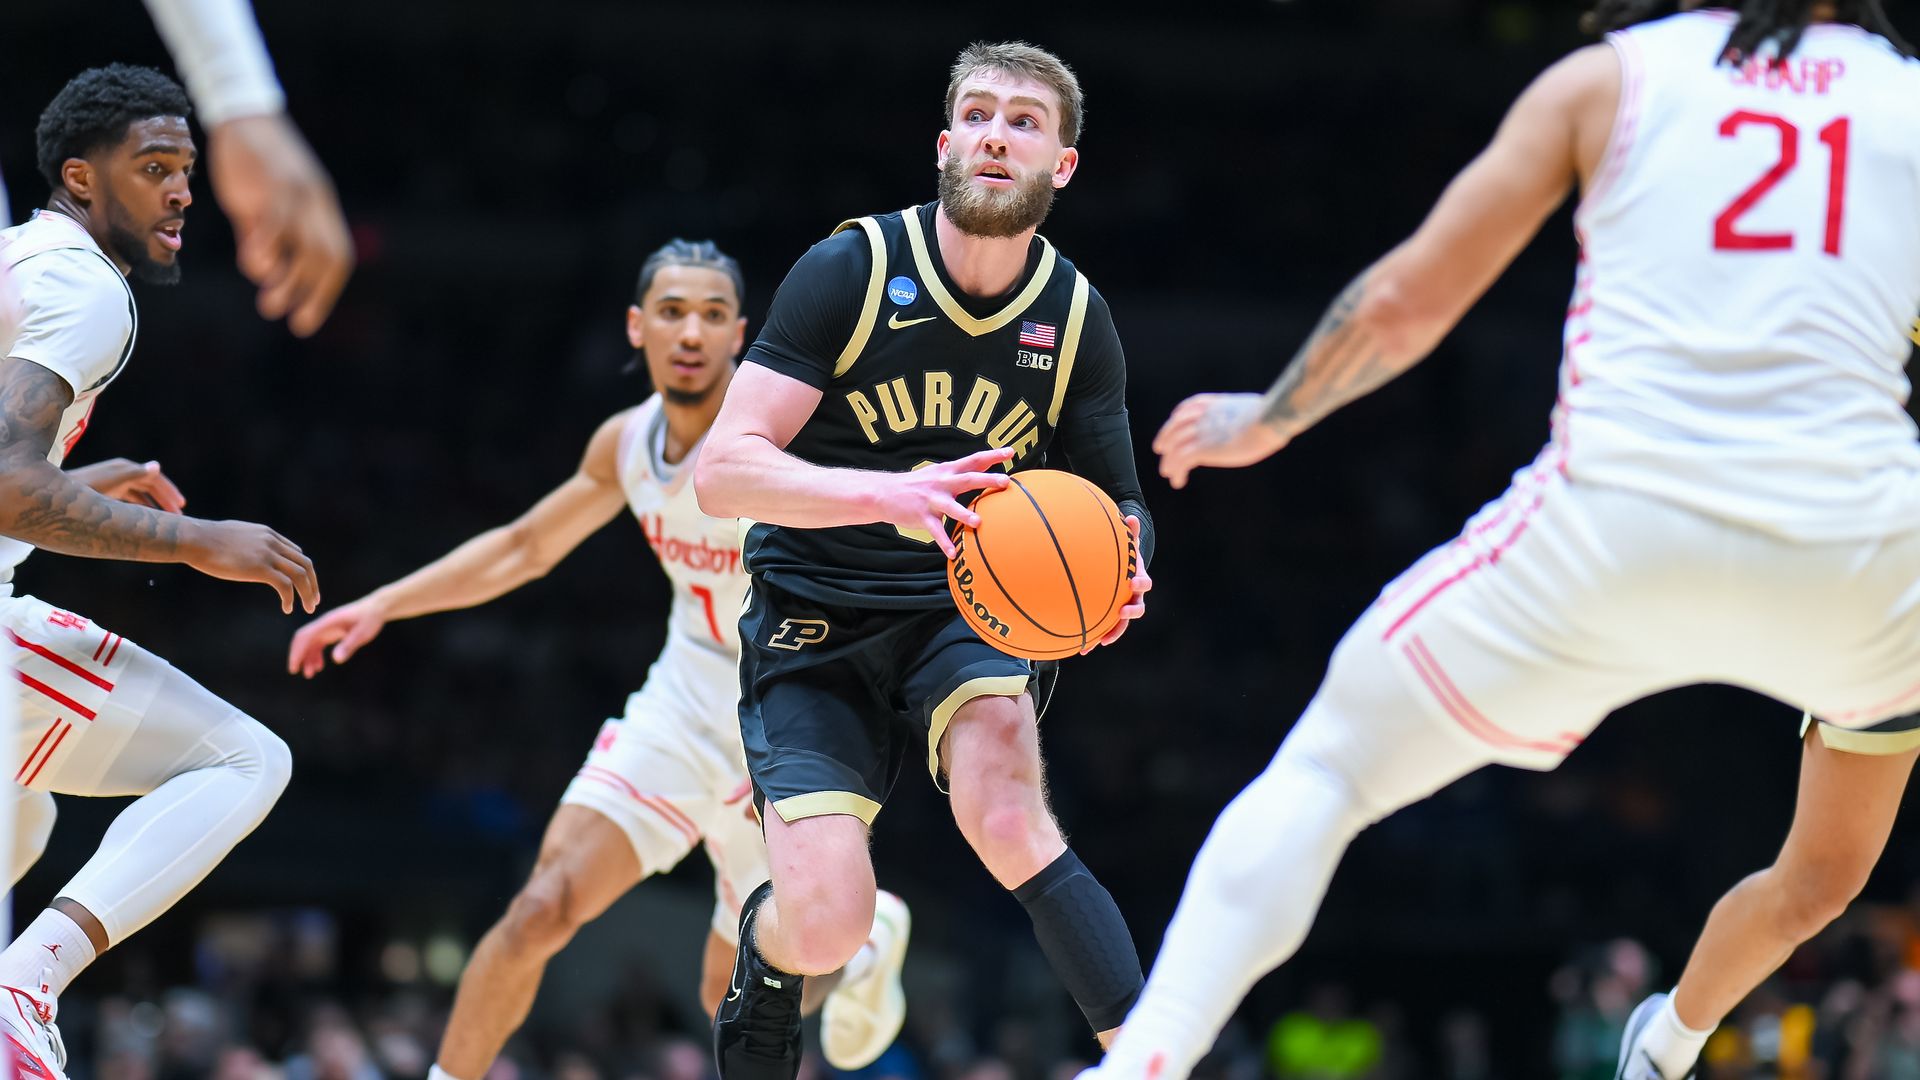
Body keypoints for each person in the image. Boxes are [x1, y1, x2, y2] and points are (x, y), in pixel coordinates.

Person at [1077, 2, 1920, 1079]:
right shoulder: (1906, 99)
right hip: (1857, 559)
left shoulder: (1607, 80)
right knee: (1828, 874)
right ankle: (1664, 1045)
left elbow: (1406, 301)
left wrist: (1268, 417)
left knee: (1330, 767)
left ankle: (1145, 1059)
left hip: (1614, 531)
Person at [286, 240, 912, 1080]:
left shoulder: (789, 442)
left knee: (728, 996)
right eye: (672, 311)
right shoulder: (627, 442)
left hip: (783, 724)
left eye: (713, 315)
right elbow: (521, 547)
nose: (690, 331)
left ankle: (865, 945)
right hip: (681, 709)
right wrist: (382, 603)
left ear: (741, 337)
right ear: (636, 326)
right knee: (541, 906)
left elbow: (878, 577)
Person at [693, 40, 1155, 1080]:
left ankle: (1150, 1060)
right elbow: (722, 473)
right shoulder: (852, 270)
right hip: (816, 611)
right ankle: (774, 956)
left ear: (1061, 164)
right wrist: (885, 496)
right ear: (947, 145)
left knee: (1006, 808)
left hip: (967, 612)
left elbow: (1119, 497)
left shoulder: (1075, 316)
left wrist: (1130, 561)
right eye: (980, 114)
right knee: (824, 928)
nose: (999, 132)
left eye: (1025, 120)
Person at [0, 65, 322, 1078]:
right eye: (154, 169)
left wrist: (77, 479)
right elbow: (4, 486)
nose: (183, 191)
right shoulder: (85, 290)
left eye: (187, 169)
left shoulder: (22, 261)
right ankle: (27, 986)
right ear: (82, 179)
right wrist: (198, 540)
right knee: (245, 762)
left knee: (29, 813)